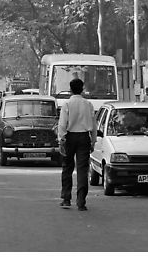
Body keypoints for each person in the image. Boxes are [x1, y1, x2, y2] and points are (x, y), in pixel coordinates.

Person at [57, 78, 96, 211]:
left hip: (70, 137)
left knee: (67, 168)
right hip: (84, 137)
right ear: (82, 89)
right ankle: (81, 202)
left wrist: (61, 140)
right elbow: (94, 126)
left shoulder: (67, 104)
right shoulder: (89, 104)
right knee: (82, 170)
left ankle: (66, 199)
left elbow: (62, 124)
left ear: (70, 90)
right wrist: (93, 141)